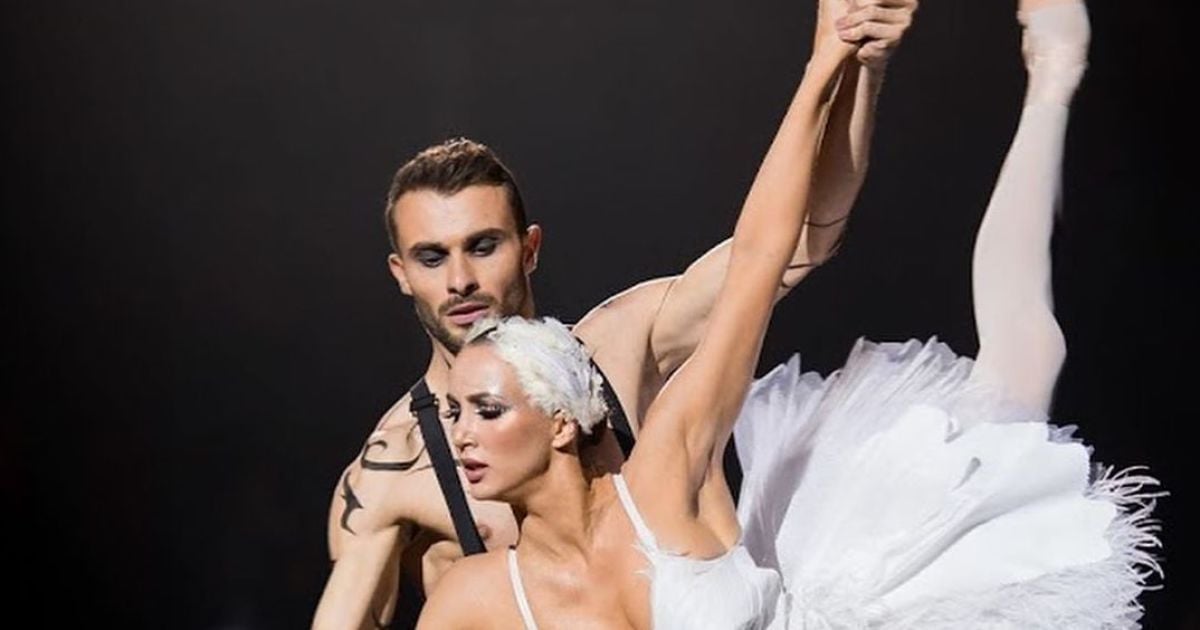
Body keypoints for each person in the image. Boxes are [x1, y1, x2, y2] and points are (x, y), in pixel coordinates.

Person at [417, 0, 1162, 627]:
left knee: (1022, 370)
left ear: (559, 422)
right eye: (455, 413)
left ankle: (1052, 76)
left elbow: (760, 258)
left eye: (486, 410)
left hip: (843, 600)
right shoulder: (474, 598)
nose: (461, 435)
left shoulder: (663, 475)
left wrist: (827, 62)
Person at [314, 2, 919, 626]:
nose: (461, 279)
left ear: (529, 249)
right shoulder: (392, 474)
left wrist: (857, 64)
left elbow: (788, 243)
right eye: (432, 256)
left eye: (484, 245)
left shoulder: (625, 349)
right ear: (401, 273)